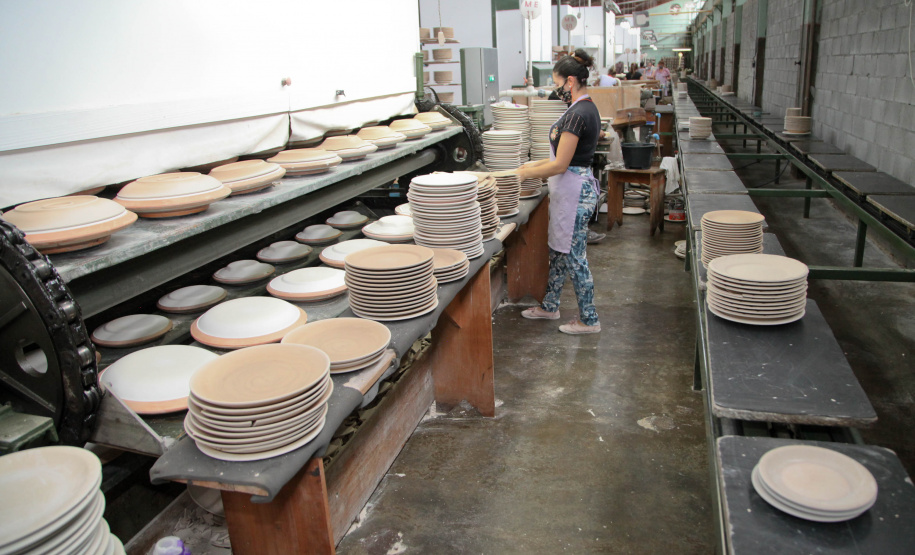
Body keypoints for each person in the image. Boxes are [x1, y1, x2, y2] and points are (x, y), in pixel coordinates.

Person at [516, 49, 602, 335]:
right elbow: (559, 160)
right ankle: (550, 306)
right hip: (569, 189)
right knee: (559, 252)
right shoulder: (582, 107)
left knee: (575, 257)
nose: (555, 90)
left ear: (570, 82)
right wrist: (530, 164)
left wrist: (523, 173)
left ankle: (589, 320)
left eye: (557, 83)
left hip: (575, 193)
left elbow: (561, 164)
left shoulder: (579, 114)